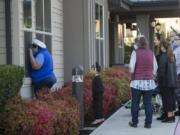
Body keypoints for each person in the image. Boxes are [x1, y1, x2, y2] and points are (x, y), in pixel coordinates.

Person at [128, 36, 158, 129]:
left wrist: (132, 72)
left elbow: (131, 68)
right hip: (149, 82)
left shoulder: (135, 53)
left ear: (138, 44)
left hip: (137, 82)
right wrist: (151, 74)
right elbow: (155, 67)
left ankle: (135, 122)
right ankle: (148, 124)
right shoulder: (151, 53)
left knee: (135, 103)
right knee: (148, 103)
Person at [157, 40, 177, 122]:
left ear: (162, 47)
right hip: (173, 81)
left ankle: (169, 117)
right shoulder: (172, 56)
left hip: (165, 82)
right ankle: (172, 116)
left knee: (167, 100)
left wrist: (158, 80)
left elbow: (161, 71)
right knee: (172, 99)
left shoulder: (163, 57)